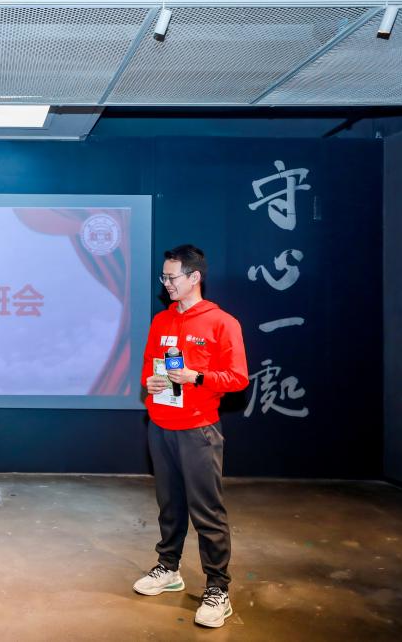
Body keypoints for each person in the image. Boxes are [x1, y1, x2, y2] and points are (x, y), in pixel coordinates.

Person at [133, 245, 248, 628]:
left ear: (194, 277)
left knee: (207, 512)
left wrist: (197, 377)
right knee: (169, 505)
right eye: (163, 277)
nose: (166, 284)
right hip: (160, 425)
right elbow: (148, 367)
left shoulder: (222, 323)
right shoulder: (161, 320)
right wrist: (149, 383)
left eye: (172, 277)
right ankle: (168, 568)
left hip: (199, 429)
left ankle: (217, 588)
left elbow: (237, 378)